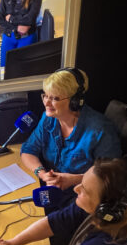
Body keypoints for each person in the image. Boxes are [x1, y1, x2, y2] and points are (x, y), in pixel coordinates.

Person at [20, 68, 121, 207]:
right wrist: (42, 174)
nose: (46, 103)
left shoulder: (101, 131)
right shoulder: (48, 119)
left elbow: (111, 177)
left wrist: (74, 179)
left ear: (75, 101)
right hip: (52, 193)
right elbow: (28, 150)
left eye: (55, 98)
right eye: (46, 96)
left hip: (81, 200)